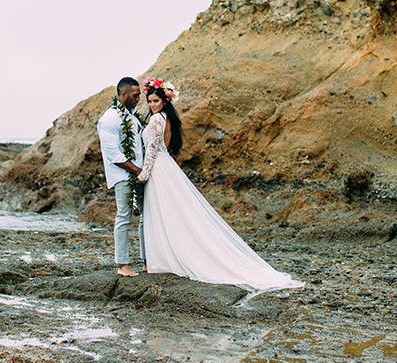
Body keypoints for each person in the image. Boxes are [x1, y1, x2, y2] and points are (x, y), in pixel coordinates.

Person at [137, 77, 303, 292]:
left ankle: (162, 259)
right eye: (149, 101)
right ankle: (165, 257)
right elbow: (165, 148)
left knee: (161, 212)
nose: (152, 105)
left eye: (155, 101)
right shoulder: (167, 118)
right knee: (171, 212)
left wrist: (143, 174)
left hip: (158, 168)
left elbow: (151, 149)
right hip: (165, 165)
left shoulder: (157, 119)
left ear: (165, 101)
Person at [97, 77, 146, 277]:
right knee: (124, 217)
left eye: (139, 96)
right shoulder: (109, 119)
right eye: (135, 96)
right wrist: (136, 170)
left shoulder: (132, 117)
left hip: (140, 173)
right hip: (124, 175)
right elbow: (113, 154)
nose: (138, 100)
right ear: (123, 94)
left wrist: (142, 171)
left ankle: (147, 260)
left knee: (145, 217)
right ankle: (122, 265)